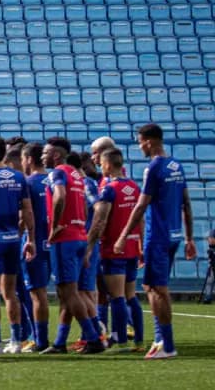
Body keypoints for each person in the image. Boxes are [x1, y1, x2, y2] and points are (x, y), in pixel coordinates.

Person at [115, 123, 196, 359]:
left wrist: (123, 236)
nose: (139, 146)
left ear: (149, 141)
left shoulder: (154, 168)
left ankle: (168, 345)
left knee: (158, 289)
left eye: (140, 142)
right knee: (151, 286)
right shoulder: (176, 166)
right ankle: (160, 339)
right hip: (174, 234)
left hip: (158, 237)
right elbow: (186, 204)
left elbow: (141, 205)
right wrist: (189, 238)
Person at [40, 137, 105, 354]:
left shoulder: (57, 173)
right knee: (71, 292)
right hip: (79, 236)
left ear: (56, 155)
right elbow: (87, 208)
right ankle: (60, 343)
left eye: (45, 153)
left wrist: (55, 226)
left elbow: (59, 196)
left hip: (64, 239)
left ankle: (93, 338)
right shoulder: (78, 175)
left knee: (68, 292)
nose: (42, 156)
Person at [85, 148, 144, 352]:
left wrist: (90, 246)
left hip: (113, 248)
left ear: (108, 164)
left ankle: (119, 341)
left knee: (116, 296)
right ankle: (138, 340)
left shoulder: (109, 189)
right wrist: (141, 244)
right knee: (130, 295)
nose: (100, 166)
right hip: (131, 247)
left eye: (101, 163)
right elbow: (140, 217)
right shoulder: (134, 187)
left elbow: (101, 220)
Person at [0, 137, 35, 355]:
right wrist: (30, 238)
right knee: (10, 293)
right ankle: (15, 340)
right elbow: (27, 210)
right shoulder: (18, 177)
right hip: (13, 239)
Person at [69, 151, 105, 351]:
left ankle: (97, 334)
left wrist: (91, 244)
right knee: (82, 290)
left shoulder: (86, 184)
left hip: (86, 244)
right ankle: (89, 335)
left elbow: (99, 210)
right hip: (82, 243)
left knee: (86, 291)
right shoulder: (79, 185)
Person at [20, 143, 52, 353]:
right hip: (55, 242)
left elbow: (25, 215)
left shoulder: (28, 183)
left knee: (37, 294)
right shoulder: (54, 179)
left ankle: (40, 339)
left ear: (29, 159)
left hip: (35, 244)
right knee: (66, 292)